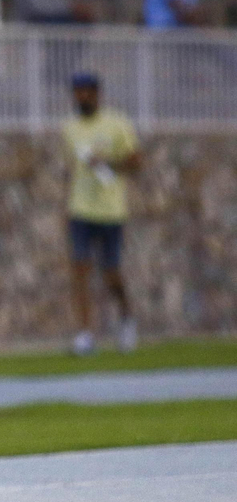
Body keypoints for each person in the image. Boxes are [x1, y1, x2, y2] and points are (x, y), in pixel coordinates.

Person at [62, 73, 141, 355]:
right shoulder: (70, 128)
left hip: (111, 210)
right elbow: (72, 168)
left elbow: (135, 162)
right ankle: (85, 334)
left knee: (111, 273)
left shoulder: (117, 124)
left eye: (86, 92)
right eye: (77, 93)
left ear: (97, 94)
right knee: (80, 269)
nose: (81, 98)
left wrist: (107, 163)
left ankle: (126, 318)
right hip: (81, 209)